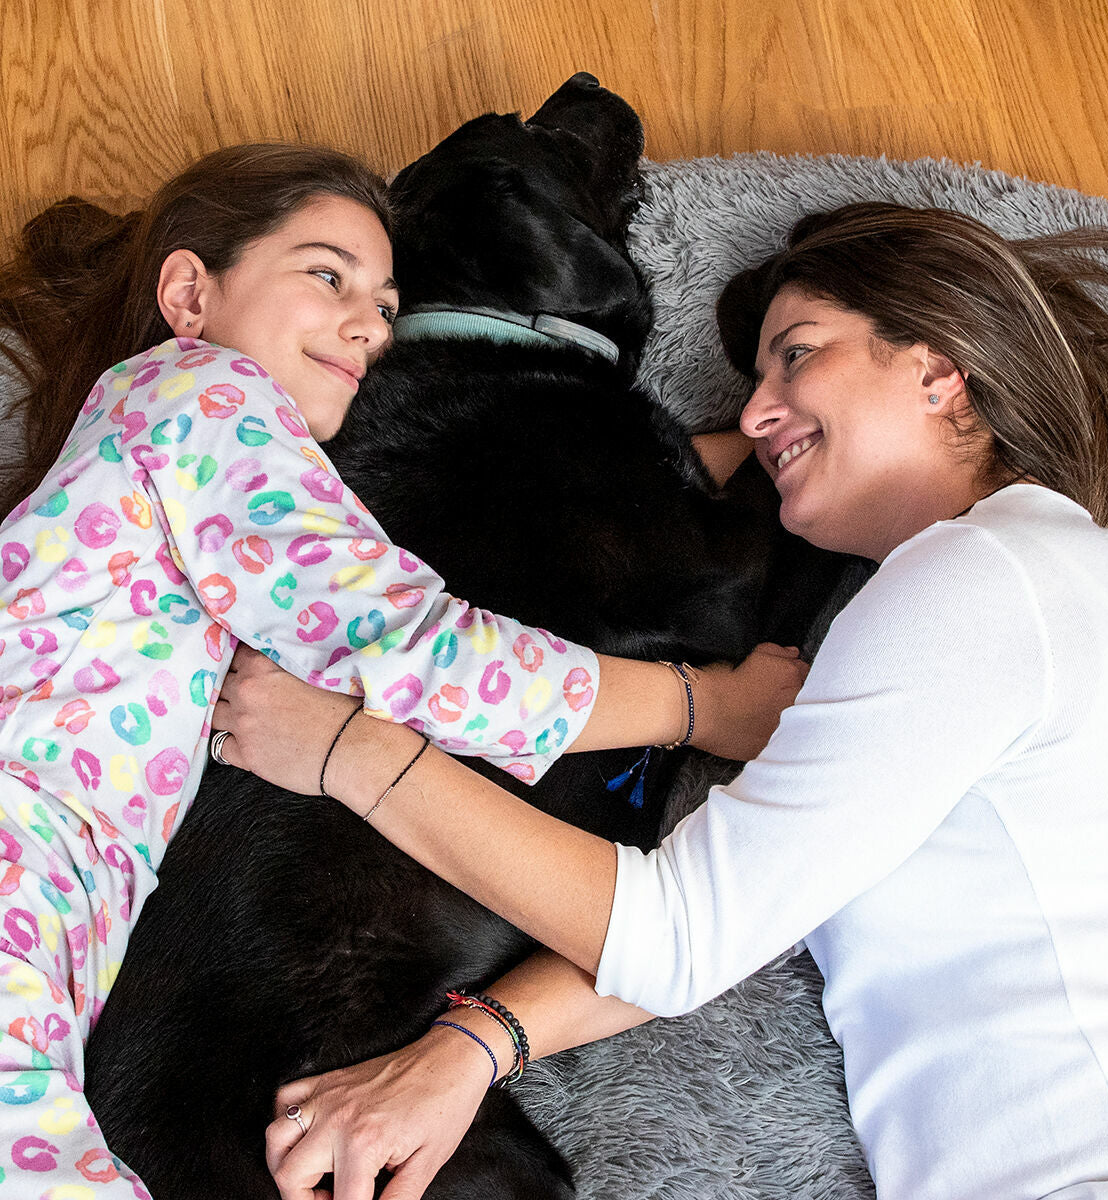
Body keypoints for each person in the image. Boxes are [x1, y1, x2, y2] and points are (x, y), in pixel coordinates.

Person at [216, 202, 1108, 1200]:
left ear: (937, 370)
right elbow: (741, 905)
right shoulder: (1016, 582)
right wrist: (468, 1049)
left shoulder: (982, 582)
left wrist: (350, 753)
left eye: (797, 356)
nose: (760, 414)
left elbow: (683, 935)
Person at [0, 143, 802, 1197]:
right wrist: (699, 706)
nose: (370, 325)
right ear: (191, 295)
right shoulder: (205, 396)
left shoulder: (167, 428)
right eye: (327, 275)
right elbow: (414, 650)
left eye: (386, 302)